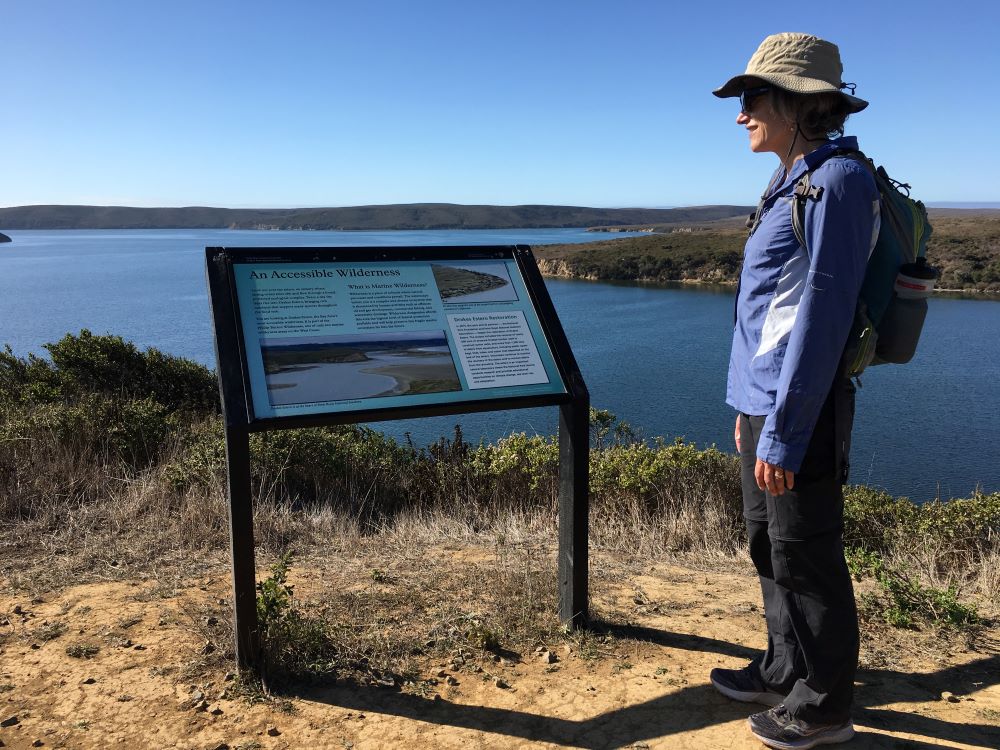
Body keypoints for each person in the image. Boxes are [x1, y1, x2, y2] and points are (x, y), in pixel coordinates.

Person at [709, 33, 879, 749]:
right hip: (764, 406)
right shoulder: (791, 178)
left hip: (797, 410)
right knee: (767, 544)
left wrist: (783, 428)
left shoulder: (837, 181)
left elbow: (823, 317)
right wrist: (748, 411)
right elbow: (766, 315)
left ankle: (824, 706)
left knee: (806, 554)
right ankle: (785, 665)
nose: (742, 113)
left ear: (799, 102)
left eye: (753, 98)